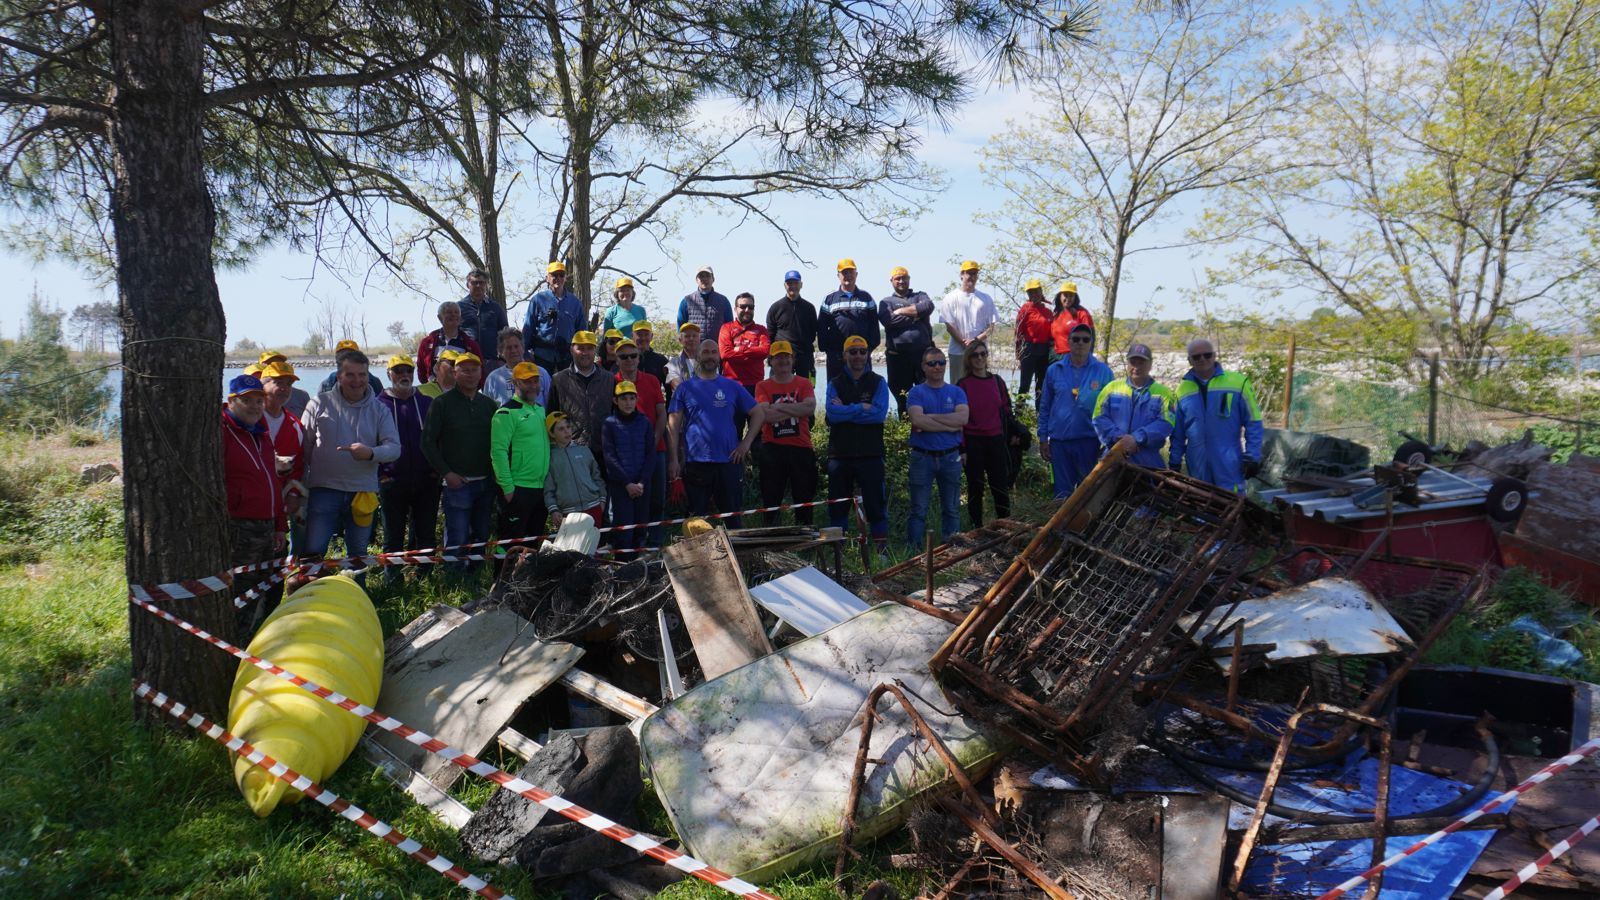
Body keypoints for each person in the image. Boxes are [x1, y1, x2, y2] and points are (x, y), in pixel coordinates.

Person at [300, 351, 401, 575]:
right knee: (313, 553)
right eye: (350, 375)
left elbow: (394, 448)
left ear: (368, 375)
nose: (357, 381)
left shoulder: (379, 409)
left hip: (362, 492)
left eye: (362, 375)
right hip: (323, 490)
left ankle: (358, 598)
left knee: (358, 555)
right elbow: (303, 447)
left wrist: (370, 453)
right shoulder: (318, 404)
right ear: (338, 376)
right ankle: (307, 599)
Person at [667, 339, 763, 524]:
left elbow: (758, 412)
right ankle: (696, 553)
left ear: (719, 357)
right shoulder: (685, 388)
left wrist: (745, 444)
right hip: (696, 464)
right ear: (698, 356)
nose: (710, 356)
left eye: (713, 352)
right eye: (705, 352)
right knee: (697, 522)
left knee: (733, 520)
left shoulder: (732, 386)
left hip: (729, 462)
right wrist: (673, 460)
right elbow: (673, 424)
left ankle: (737, 552)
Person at [420, 352, 497, 576]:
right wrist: (446, 473)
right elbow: (427, 443)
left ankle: (474, 578)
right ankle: (453, 580)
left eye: (474, 369)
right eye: (464, 370)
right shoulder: (442, 404)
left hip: (485, 482)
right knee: (457, 535)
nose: (470, 374)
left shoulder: (489, 405)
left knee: (481, 535)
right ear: (455, 373)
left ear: (481, 373)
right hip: (457, 483)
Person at [222, 374, 286, 629]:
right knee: (240, 589)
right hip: (240, 527)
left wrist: (280, 525)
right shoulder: (222, 430)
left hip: (267, 525)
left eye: (259, 400)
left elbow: (272, 480)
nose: (255, 406)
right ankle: (235, 640)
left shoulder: (261, 433)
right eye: (247, 400)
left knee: (263, 583)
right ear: (231, 401)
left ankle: (255, 633)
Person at [376, 354, 439, 583]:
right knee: (393, 536)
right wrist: (381, 475)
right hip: (392, 480)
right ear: (389, 374)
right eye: (398, 371)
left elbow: (437, 438)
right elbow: (371, 441)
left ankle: (424, 578)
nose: (404, 375)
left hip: (426, 480)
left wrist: (436, 471)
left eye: (408, 371)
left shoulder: (426, 403)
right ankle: (392, 581)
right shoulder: (378, 404)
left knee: (426, 534)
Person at [824, 334, 890, 551]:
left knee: (876, 505)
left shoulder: (878, 382)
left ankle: (881, 550)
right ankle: (838, 550)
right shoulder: (835, 383)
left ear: (867, 354)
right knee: (838, 506)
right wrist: (861, 408)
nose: (858, 356)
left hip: (871, 453)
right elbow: (832, 414)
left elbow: (879, 415)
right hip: (839, 455)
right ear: (844, 355)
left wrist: (846, 409)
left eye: (862, 351)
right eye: (853, 352)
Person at [1171, 339, 1263, 493]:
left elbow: (1253, 422)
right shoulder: (1182, 390)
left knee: (1230, 505)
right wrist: (1174, 462)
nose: (1202, 359)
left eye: (1207, 355)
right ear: (1189, 361)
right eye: (1196, 357)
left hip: (1228, 460)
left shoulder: (1238, 382)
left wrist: (1252, 456)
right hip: (1197, 462)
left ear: (1214, 355)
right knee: (1201, 505)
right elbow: (1178, 432)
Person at [1038, 324, 1114, 498]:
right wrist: (1043, 438)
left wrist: (1109, 441)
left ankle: (1084, 526)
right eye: (1076, 339)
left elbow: (1112, 409)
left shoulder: (1103, 372)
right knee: (1061, 494)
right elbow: (1045, 407)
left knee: (1086, 494)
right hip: (1059, 442)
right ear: (1068, 342)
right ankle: (1061, 526)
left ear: (1091, 343)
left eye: (1085, 339)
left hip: (1089, 442)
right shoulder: (1054, 370)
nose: (1081, 343)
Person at [906, 348, 968, 548]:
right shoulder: (916, 392)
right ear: (924, 367)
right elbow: (918, 420)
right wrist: (950, 427)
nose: (937, 367)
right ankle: (913, 550)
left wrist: (929, 417)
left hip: (950, 458)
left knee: (951, 508)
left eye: (941, 362)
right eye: (932, 363)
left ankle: (951, 549)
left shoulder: (956, 392)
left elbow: (963, 419)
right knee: (918, 509)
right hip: (922, 458)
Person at [754, 341, 818, 526]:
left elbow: (810, 408)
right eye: (778, 357)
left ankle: (806, 542)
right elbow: (764, 414)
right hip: (772, 448)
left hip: (802, 448)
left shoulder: (804, 383)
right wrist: (794, 408)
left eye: (786, 356)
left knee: (804, 499)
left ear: (793, 359)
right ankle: (772, 542)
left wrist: (778, 407)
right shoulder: (762, 386)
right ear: (771, 361)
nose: (783, 360)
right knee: (771, 500)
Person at [612, 339, 668, 543]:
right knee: (628, 501)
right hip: (627, 454)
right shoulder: (612, 382)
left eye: (633, 355)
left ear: (639, 358)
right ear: (616, 360)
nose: (629, 360)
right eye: (623, 356)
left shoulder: (652, 380)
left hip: (656, 448)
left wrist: (653, 441)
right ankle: (631, 545)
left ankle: (655, 545)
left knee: (656, 500)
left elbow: (662, 414)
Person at [490, 362, 551, 543]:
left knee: (532, 544)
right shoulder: (506, 413)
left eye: (535, 381)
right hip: (517, 488)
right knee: (509, 544)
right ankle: (502, 573)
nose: (533, 386)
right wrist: (508, 489)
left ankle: (528, 573)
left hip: (539, 489)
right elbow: (498, 453)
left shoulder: (540, 410)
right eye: (527, 382)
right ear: (515, 383)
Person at [956, 340, 1013, 527]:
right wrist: (961, 448)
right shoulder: (963, 384)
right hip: (973, 442)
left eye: (983, 353)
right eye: (975, 355)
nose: (980, 358)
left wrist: (1013, 435)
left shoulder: (997, 381)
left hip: (996, 440)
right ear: (969, 359)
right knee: (975, 488)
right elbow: (959, 421)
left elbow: (1006, 410)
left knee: (1000, 486)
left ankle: (1005, 526)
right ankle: (976, 528)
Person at [1093, 343, 1176, 470]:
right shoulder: (1111, 388)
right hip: (1114, 455)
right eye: (1133, 362)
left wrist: (1137, 438)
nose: (1136, 367)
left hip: (1148, 460)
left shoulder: (1164, 393)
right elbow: (1098, 417)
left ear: (1150, 364)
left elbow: (1166, 423)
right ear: (1127, 364)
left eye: (1141, 362)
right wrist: (1118, 438)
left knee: (1149, 491)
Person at [547, 331, 615, 471]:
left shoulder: (609, 379)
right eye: (580, 348)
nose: (585, 353)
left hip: (603, 451)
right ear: (572, 350)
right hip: (571, 451)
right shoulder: (559, 380)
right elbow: (551, 416)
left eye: (589, 348)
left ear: (595, 350)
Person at [604, 381, 656, 555]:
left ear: (636, 399)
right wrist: (627, 483)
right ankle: (623, 567)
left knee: (641, 526)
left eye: (631, 398)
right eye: (623, 398)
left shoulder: (645, 422)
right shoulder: (609, 424)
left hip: (642, 485)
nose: (628, 402)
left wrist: (641, 482)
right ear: (615, 400)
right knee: (624, 529)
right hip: (620, 486)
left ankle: (640, 566)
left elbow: (650, 454)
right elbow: (610, 456)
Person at [259, 361, 306, 552]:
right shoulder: (249, 418)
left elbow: (298, 466)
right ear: (263, 385)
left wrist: (294, 493)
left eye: (289, 384)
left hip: (278, 506)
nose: (284, 389)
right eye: (278, 382)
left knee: (277, 557)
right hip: (248, 505)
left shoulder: (294, 425)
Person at [877, 265, 934, 418]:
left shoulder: (920, 296)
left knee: (927, 396)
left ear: (909, 279)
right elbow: (889, 321)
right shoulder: (886, 302)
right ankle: (904, 434)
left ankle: (928, 427)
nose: (901, 281)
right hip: (897, 358)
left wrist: (901, 311)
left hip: (923, 356)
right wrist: (916, 315)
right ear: (891, 281)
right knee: (903, 398)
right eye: (898, 278)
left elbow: (928, 306)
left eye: (904, 278)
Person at [818, 258, 879, 382]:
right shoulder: (830, 299)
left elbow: (874, 326)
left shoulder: (866, 297)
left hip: (860, 356)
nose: (848, 276)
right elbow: (822, 327)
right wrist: (829, 351)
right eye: (844, 273)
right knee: (836, 391)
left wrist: (867, 350)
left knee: (864, 390)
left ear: (856, 274)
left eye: (851, 272)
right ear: (838, 276)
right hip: (837, 357)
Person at [545, 413, 607, 528]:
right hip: (568, 514)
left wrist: (602, 500)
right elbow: (549, 489)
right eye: (561, 429)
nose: (567, 431)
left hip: (594, 507)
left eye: (568, 427)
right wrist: (553, 510)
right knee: (573, 546)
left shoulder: (584, 450)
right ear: (552, 433)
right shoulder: (549, 458)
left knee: (593, 545)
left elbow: (597, 477)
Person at [941, 260, 997, 383]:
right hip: (957, 351)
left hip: (979, 353)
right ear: (962, 274)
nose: (971, 276)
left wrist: (975, 341)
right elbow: (949, 326)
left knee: (979, 385)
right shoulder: (950, 297)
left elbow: (991, 327)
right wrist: (962, 342)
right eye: (969, 273)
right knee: (958, 385)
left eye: (974, 273)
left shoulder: (985, 298)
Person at [524, 261, 584, 371]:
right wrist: (525, 354)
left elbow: (581, 332)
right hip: (541, 357)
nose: (558, 278)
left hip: (567, 358)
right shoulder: (537, 300)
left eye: (561, 275)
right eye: (554, 275)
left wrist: (581, 355)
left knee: (566, 388)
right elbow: (528, 329)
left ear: (565, 278)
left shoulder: (575, 303)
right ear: (547, 278)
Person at [766, 270, 818, 379]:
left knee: (809, 388)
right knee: (777, 389)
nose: (792, 286)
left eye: (795, 283)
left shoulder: (809, 308)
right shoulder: (775, 307)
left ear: (801, 285)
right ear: (785, 285)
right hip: (781, 356)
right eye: (789, 283)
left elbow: (813, 333)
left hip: (805, 357)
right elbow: (770, 335)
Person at [416, 303, 483, 384]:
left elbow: (480, 371)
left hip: (460, 392)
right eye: (449, 312)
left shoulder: (471, 345)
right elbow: (421, 371)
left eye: (456, 312)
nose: (453, 315)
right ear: (440, 318)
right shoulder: (427, 343)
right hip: (434, 391)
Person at [719, 292, 771, 394]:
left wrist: (740, 349)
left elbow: (765, 351)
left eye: (750, 307)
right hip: (731, 383)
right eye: (743, 307)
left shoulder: (761, 330)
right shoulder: (726, 328)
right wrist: (754, 353)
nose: (747, 310)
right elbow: (725, 354)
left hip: (756, 384)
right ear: (735, 309)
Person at [483, 327, 549, 405]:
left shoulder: (541, 373)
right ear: (500, 352)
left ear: (523, 348)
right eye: (508, 347)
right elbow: (488, 408)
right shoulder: (493, 379)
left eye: (516, 346)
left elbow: (550, 402)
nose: (513, 350)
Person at [1015, 279, 1054, 403]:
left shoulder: (1048, 311)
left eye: (1036, 292)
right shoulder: (1025, 309)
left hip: (1044, 350)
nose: (1034, 295)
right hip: (1029, 350)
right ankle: (1019, 415)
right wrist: (1018, 353)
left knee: (1041, 386)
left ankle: (1039, 415)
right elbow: (1018, 332)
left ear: (1041, 291)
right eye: (1030, 293)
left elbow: (1052, 334)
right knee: (1024, 385)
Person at [460, 267, 509, 353]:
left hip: (491, 359)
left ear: (486, 285)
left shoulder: (495, 308)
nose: (478, 286)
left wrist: (502, 359)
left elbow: (505, 334)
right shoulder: (459, 307)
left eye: (481, 283)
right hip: (466, 359)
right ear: (468, 285)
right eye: (474, 283)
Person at [675, 264, 732, 337]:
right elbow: (680, 329)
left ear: (713, 279)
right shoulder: (687, 301)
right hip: (694, 347)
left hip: (717, 347)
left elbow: (729, 328)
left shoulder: (723, 301)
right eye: (701, 276)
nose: (704, 279)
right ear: (696, 280)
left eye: (707, 276)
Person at [318, 339, 386, 396]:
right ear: (336, 358)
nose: (345, 359)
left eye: (350, 355)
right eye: (341, 355)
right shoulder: (327, 384)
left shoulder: (374, 382)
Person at [258, 350, 311, 417]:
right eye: (271, 365)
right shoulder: (253, 413)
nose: (277, 367)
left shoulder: (302, 395)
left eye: (279, 363)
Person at [1050, 282, 1095, 360]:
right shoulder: (1056, 314)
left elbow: (1089, 337)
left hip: (1073, 356)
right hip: (1055, 356)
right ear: (1060, 296)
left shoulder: (1082, 313)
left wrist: (1085, 357)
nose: (1068, 298)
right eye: (1065, 295)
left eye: (1071, 296)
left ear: (1075, 297)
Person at [632, 320, 669, 388]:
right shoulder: (626, 358)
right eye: (639, 334)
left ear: (651, 336)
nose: (643, 338)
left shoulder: (661, 360)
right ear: (632, 336)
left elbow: (669, 389)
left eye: (646, 334)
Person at [666, 322, 699, 391]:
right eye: (687, 336)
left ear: (699, 339)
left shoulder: (707, 361)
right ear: (680, 340)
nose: (691, 339)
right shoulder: (673, 363)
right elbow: (679, 388)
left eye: (694, 335)